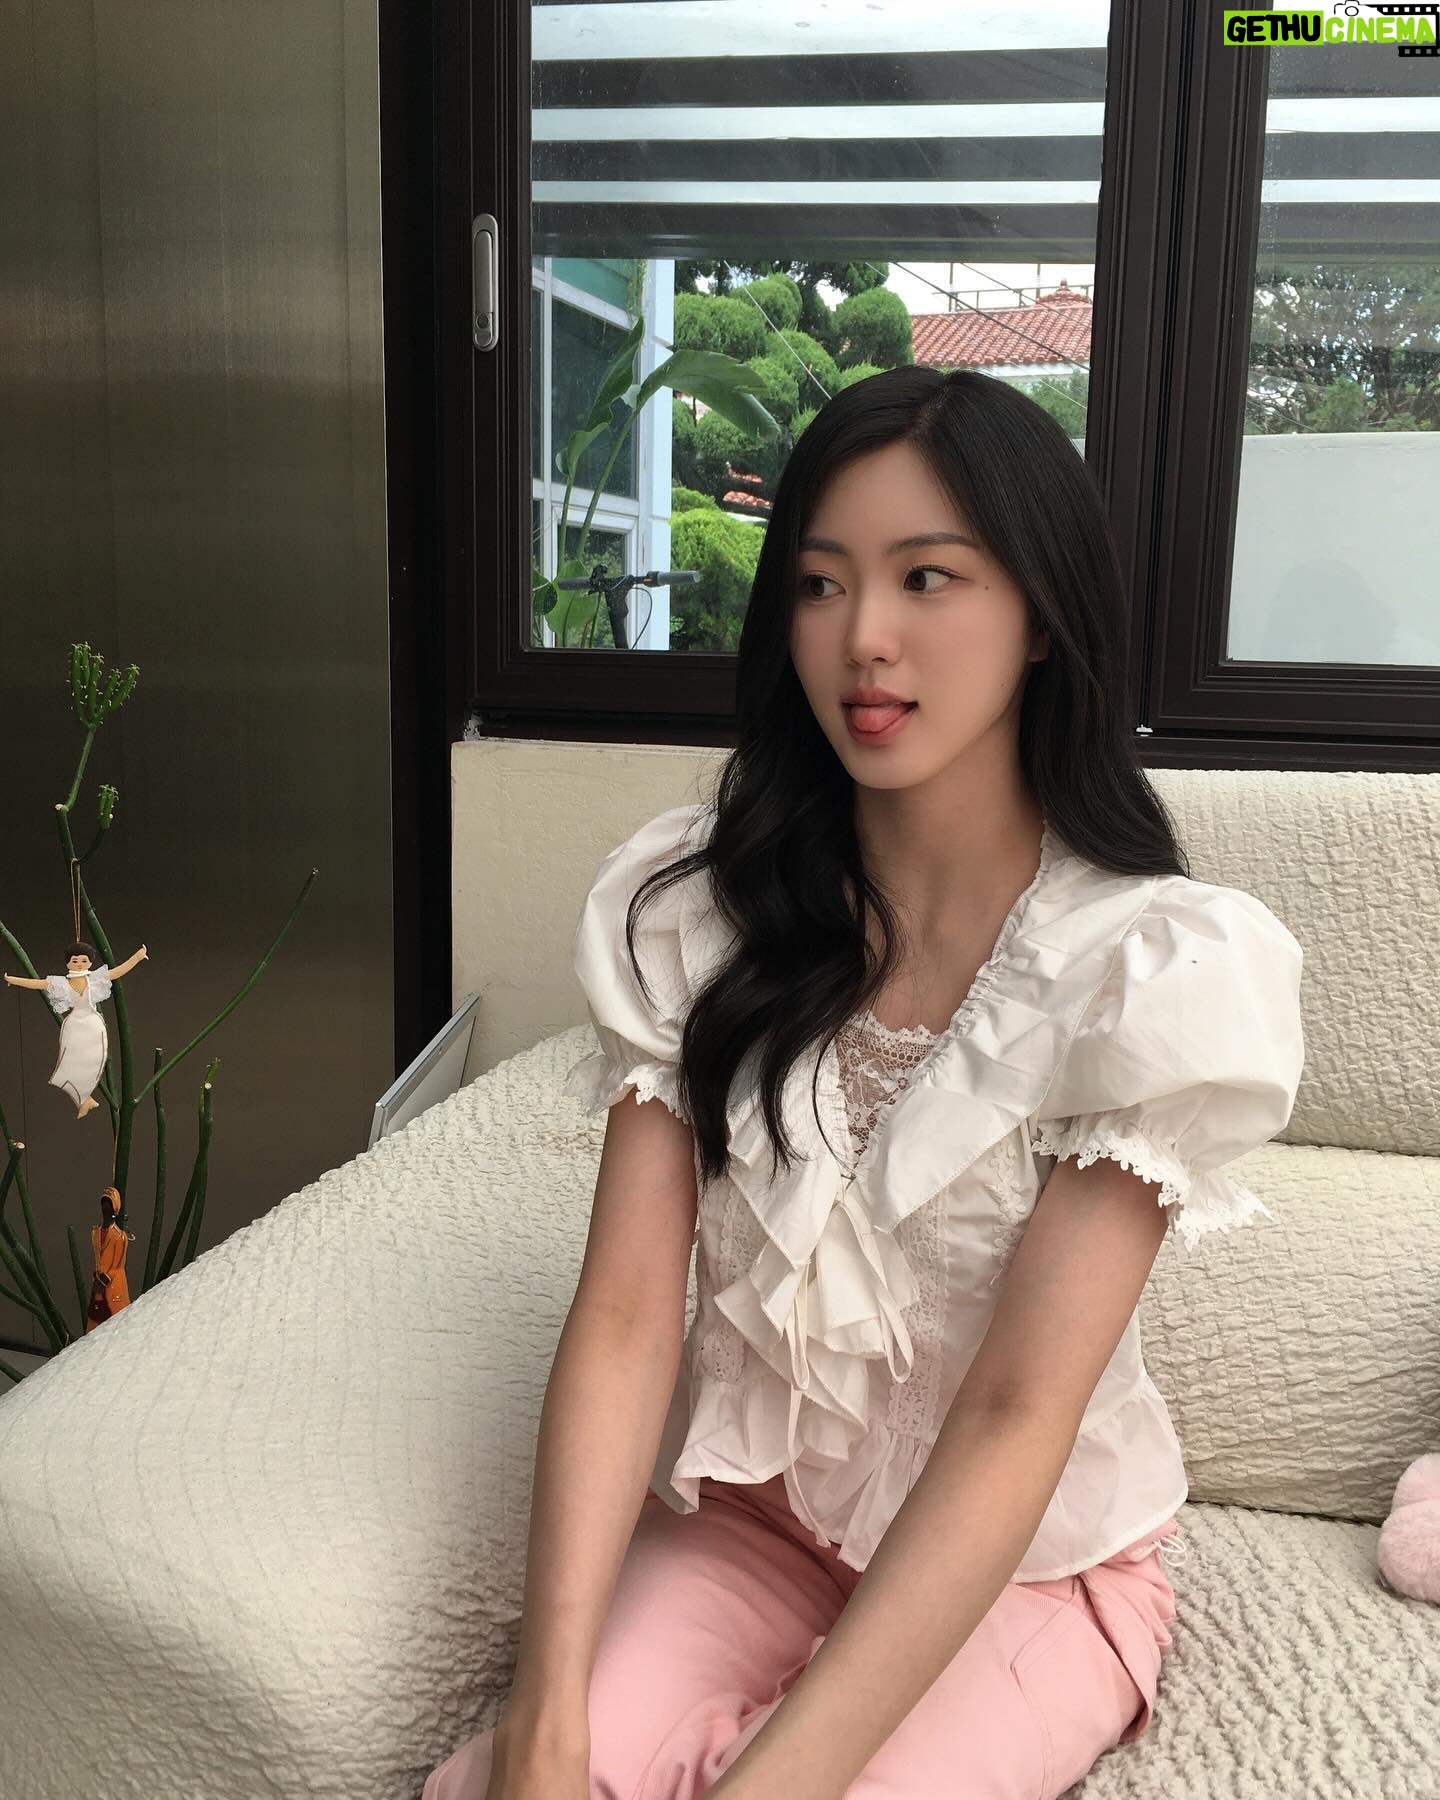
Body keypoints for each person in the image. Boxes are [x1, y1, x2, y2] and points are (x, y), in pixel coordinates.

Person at [421, 367, 1305, 1799]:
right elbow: (628, 1317)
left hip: (1028, 1569)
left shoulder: (1148, 972)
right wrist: (547, 1716)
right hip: (757, 1527)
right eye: (821, 584)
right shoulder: (695, 914)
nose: (863, 638)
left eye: (926, 578)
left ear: (1042, 617)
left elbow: (1016, 1415)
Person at [3, 940, 149, 1117]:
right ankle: (83, 1098)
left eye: (84, 960)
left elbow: (118, 971)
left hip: (93, 1024)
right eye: (75, 961)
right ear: (68, 963)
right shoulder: (61, 984)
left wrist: (138, 957)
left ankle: (85, 1097)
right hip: (73, 1025)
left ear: (90, 961)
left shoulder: (94, 979)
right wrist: (13, 980)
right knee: (71, 1060)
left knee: (94, 1058)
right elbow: (38, 984)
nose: (79, 964)